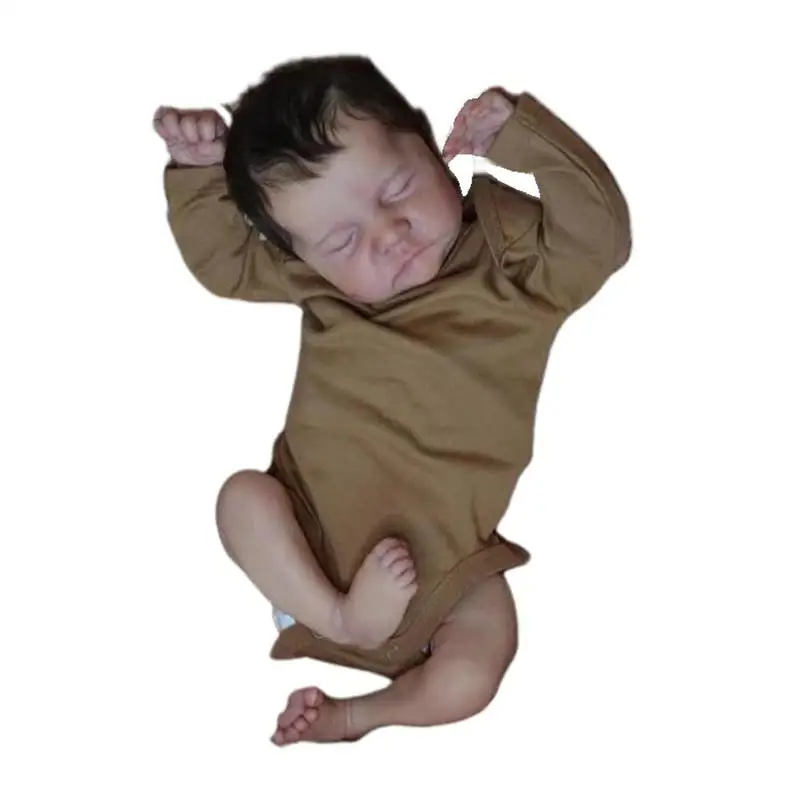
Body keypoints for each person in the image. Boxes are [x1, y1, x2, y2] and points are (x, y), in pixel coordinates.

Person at [154, 54, 632, 746]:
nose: (387, 234)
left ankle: (357, 716)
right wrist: (198, 172)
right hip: (306, 541)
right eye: (343, 240)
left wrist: (521, 137)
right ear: (307, 258)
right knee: (241, 500)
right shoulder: (321, 284)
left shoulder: (515, 266)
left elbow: (601, 238)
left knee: (477, 672)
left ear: (429, 142)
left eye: (398, 188)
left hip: (449, 575)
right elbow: (225, 262)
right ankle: (338, 618)